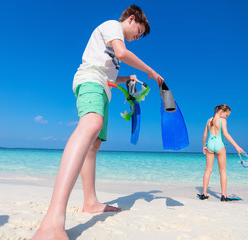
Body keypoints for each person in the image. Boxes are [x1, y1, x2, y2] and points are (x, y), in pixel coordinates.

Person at [33, 5, 164, 240]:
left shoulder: (114, 48)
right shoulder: (112, 26)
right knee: (92, 124)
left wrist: (128, 79)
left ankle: (90, 201)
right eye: (138, 32)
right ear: (132, 19)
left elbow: (110, 74)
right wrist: (150, 72)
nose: (136, 38)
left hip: (103, 88)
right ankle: (52, 222)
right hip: (90, 81)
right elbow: (122, 54)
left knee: (94, 145)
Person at [198, 104, 244, 201]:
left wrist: (204, 146)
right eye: (227, 115)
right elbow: (226, 134)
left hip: (210, 146)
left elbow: (204, 135)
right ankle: (223, 196)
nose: (227, 117)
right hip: (220, 146)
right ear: (222, 112)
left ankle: (204, 194)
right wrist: (237, 146)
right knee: (222, 171)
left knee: (208, 170)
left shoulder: (209, 120)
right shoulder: (223, 120)